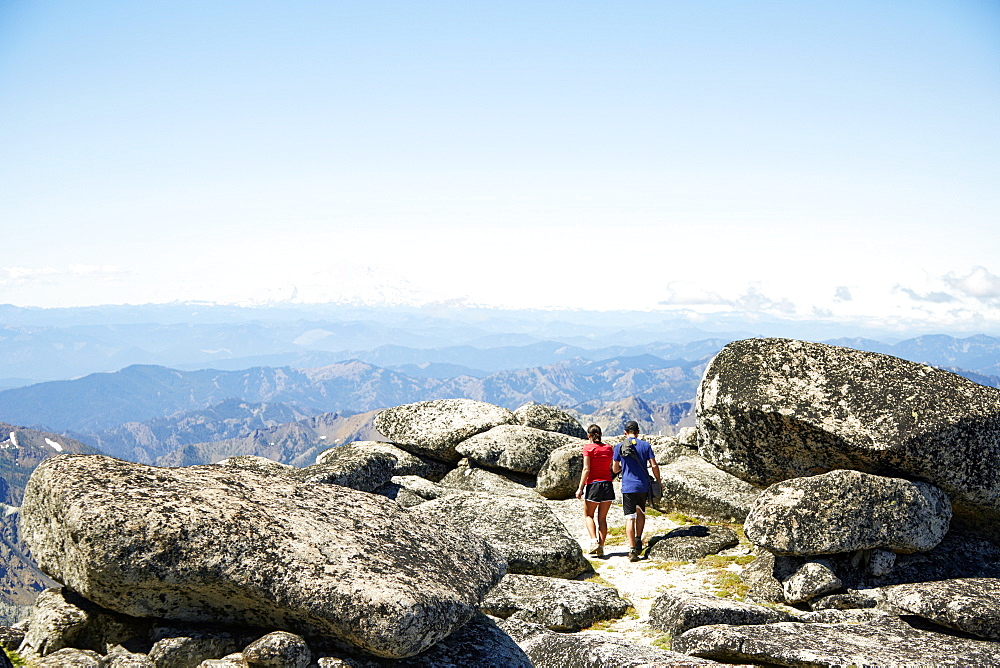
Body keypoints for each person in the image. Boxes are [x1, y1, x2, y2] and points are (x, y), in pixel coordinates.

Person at [613, 420, 661, 562]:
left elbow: (615, 469)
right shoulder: (645, 446)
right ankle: (638, 539)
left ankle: (632, 549)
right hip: (643, 486)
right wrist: (659, 481)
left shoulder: (619, 447)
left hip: (628, 486)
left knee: (629, 517)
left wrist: (625, 468)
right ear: (638, 432)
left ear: (625, 432)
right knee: (641, 512)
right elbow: (653, 465)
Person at [575, 423, 615, 557]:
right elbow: (612, 466)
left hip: (593, 485)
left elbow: (586, 469)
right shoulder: (609, 448)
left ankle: (593, 541)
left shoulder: (588, 448)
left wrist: (580, 488)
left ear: (589, 436)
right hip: (608, 485)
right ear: (601, 434)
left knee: (588, 515)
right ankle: (601, 546)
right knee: (602, 518)